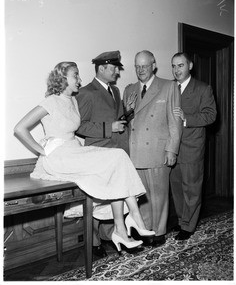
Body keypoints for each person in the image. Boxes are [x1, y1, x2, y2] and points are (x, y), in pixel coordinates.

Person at [13, 61, 155, 255]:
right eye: (75, 75)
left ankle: (123, 228)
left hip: (74, 151)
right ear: (63, 78)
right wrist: (42, 150)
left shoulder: (72, 100)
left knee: (118, 160)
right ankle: (133, 220)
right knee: (116, 158)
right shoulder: (51, 101)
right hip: (59, 156)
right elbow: (19, 128)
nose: (79, 80)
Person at [75, 51, 132, 258]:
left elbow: (117, 120)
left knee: (116, 198)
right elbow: (79, 126)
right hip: (98, 154)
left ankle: (114, 235)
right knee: (97, 200)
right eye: (114, 67)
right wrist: (109, 127)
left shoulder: (115, 91)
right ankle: (93, 242)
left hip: (117, 153)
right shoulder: (86, 92)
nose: (117, 71)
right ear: (101, 68)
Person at [123, 50, 182, 247]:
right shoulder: (129, 89)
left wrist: (172, 150)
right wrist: (128, 111)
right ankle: (145, 229)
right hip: (136, 151)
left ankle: (159, 232)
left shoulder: (168, 86)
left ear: (153, 65)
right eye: (137, 66)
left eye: (145, 66)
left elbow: (174, 122)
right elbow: (130, 122)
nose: (141, 70)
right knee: (143, 196)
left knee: (159, 195)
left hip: (158, 150)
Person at [170, 52, 217, 240]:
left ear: (190, 66)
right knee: (177, 188)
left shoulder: (203, 89)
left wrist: (186, 119)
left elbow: (211, 115)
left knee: (192, 189)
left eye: (180, 65)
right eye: (173, 66)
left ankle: (188, 226)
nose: (176, 70)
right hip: (173, 148)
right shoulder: (170, 88)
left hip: (192, 148)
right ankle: (182, 221)